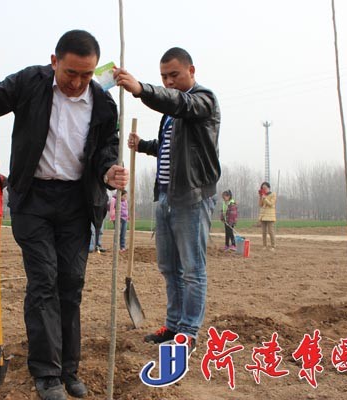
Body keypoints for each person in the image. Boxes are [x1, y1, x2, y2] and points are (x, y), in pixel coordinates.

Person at [0, 29, 128, 400]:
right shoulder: (31, 83)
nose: (78, 82)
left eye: (87, 75)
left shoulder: (103, 104)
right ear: (54, 62)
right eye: (71, 73)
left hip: (76, 202)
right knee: (44, 281)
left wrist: (108, 172)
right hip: (34, 199)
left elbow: (106, 149)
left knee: (71, 282)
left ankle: (69, 368)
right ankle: (47, 373)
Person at [115, 47, 220, 353]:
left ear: (191, 70)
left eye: (174, 75)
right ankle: (173, 325)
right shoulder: (171, 114)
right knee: (169, 267)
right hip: (165, 196)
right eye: (163, 77)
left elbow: (180, 103)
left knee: (192, 269)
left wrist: (141, 89)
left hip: (192, 197)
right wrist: (142, 145)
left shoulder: (203, 101)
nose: (169, 82)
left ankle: (188, 331)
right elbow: (167, 146)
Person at [258, 181, 277, 251]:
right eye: (262, 188)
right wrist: (261, 197)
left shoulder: (273, 194)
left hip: (270, 216)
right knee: (264, 232)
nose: (264, 189)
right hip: (263, 216)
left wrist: (265, 198)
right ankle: (264, 245)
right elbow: (260, 205)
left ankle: (273, 246)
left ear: (269, 188)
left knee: (271, 231)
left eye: (265, 188)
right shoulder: (263, 195)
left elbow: (271, 204)